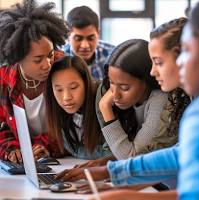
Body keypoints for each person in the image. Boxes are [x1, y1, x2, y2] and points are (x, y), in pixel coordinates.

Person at [87, 0, 199, 199]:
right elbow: (184, 153)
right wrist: (114, 173)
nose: (181, 62)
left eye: (187, 50)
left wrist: (131, 196)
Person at [55, 19, 191, 185]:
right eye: (112, 83)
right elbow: (171, 157)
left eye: (159, 62)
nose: (153, 71)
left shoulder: (165, 99)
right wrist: (108, 166)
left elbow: (133, 156)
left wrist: (105, 108)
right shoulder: (111, 93)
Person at [0, 0, 68, 163]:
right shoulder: (3, 79)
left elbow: (73, 123)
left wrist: (40, 146)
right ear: (18, 58)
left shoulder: (64, 69)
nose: (47, 64)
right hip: (24, 163)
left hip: (62, 159)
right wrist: (12, 149)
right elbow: (2, 126)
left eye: (50, 54)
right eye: (38, 60)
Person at [45, 55, 112, 161]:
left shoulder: (102, 99)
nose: (66, 97)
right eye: (59, 90)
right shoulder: (58, 111)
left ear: (86, 83)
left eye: (73, 87)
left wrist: (77, 151)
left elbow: (112, 152)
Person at [63, 6, 114, 81]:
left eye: (91, 38)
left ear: (98, 33)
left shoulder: (113, 54)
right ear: (68, 36)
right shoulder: (59, 58)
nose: (85, 45)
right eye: (78, 39)